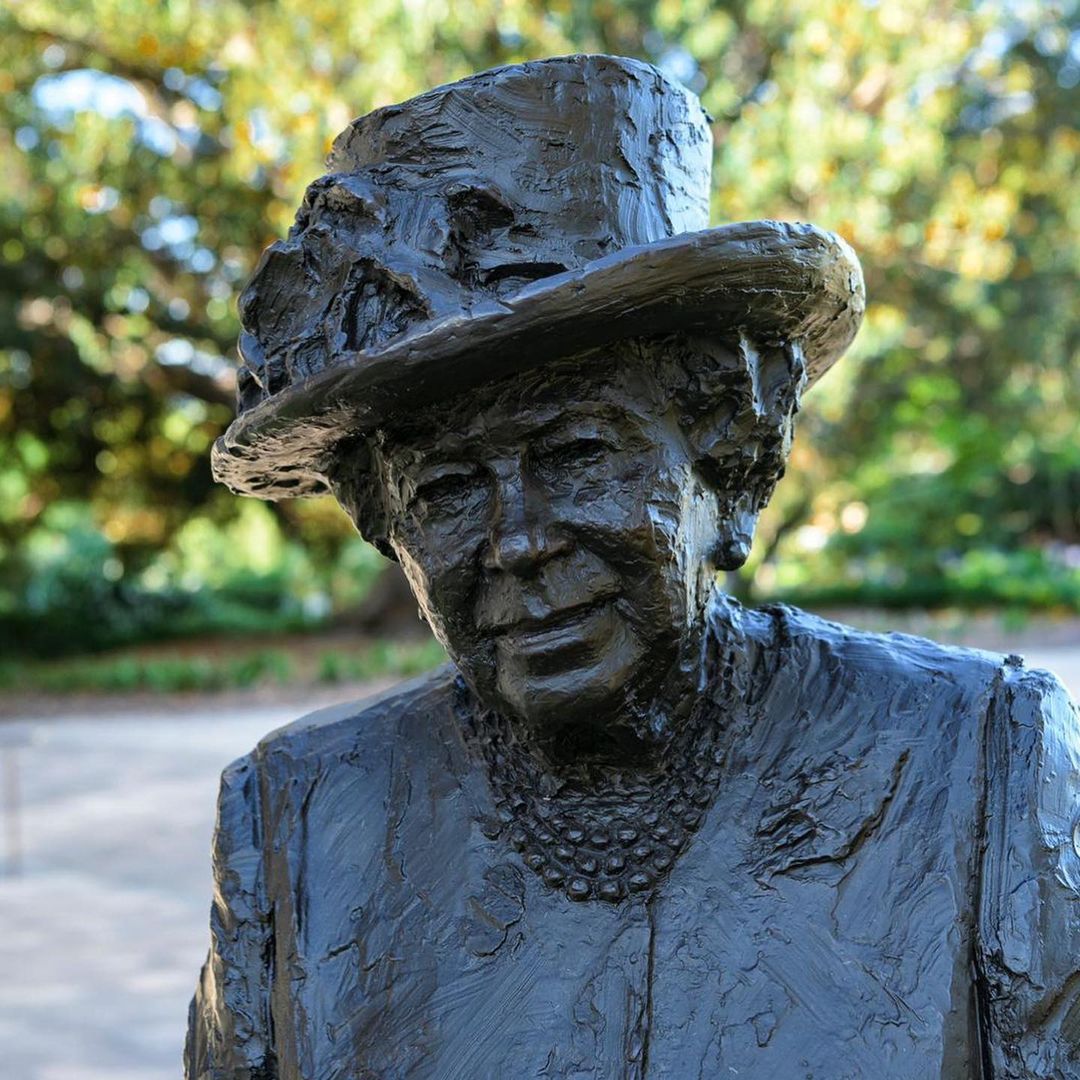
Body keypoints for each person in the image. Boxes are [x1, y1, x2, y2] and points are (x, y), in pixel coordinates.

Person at [187, 56, 1080, 1079]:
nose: (517, 540)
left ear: (726, 460)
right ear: (389, 528)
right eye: (447, 489)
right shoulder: (296, 818)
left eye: (578, 453)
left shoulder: (978, 760)